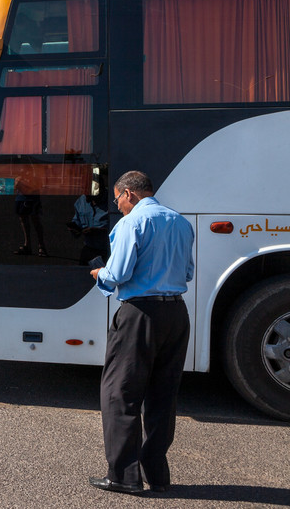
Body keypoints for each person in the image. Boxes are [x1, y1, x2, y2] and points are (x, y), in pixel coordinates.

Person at [88, 171, 194, 495]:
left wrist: (98, 274)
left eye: (118, 198)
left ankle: (123, 475)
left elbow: (117, 273)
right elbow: (187, 272)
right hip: (176, 314)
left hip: (140, 315)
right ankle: (157, 474)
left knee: (120, 393)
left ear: (129, 194)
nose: (118, 206)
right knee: (163, 396)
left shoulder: (131, 223)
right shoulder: (181, 223)